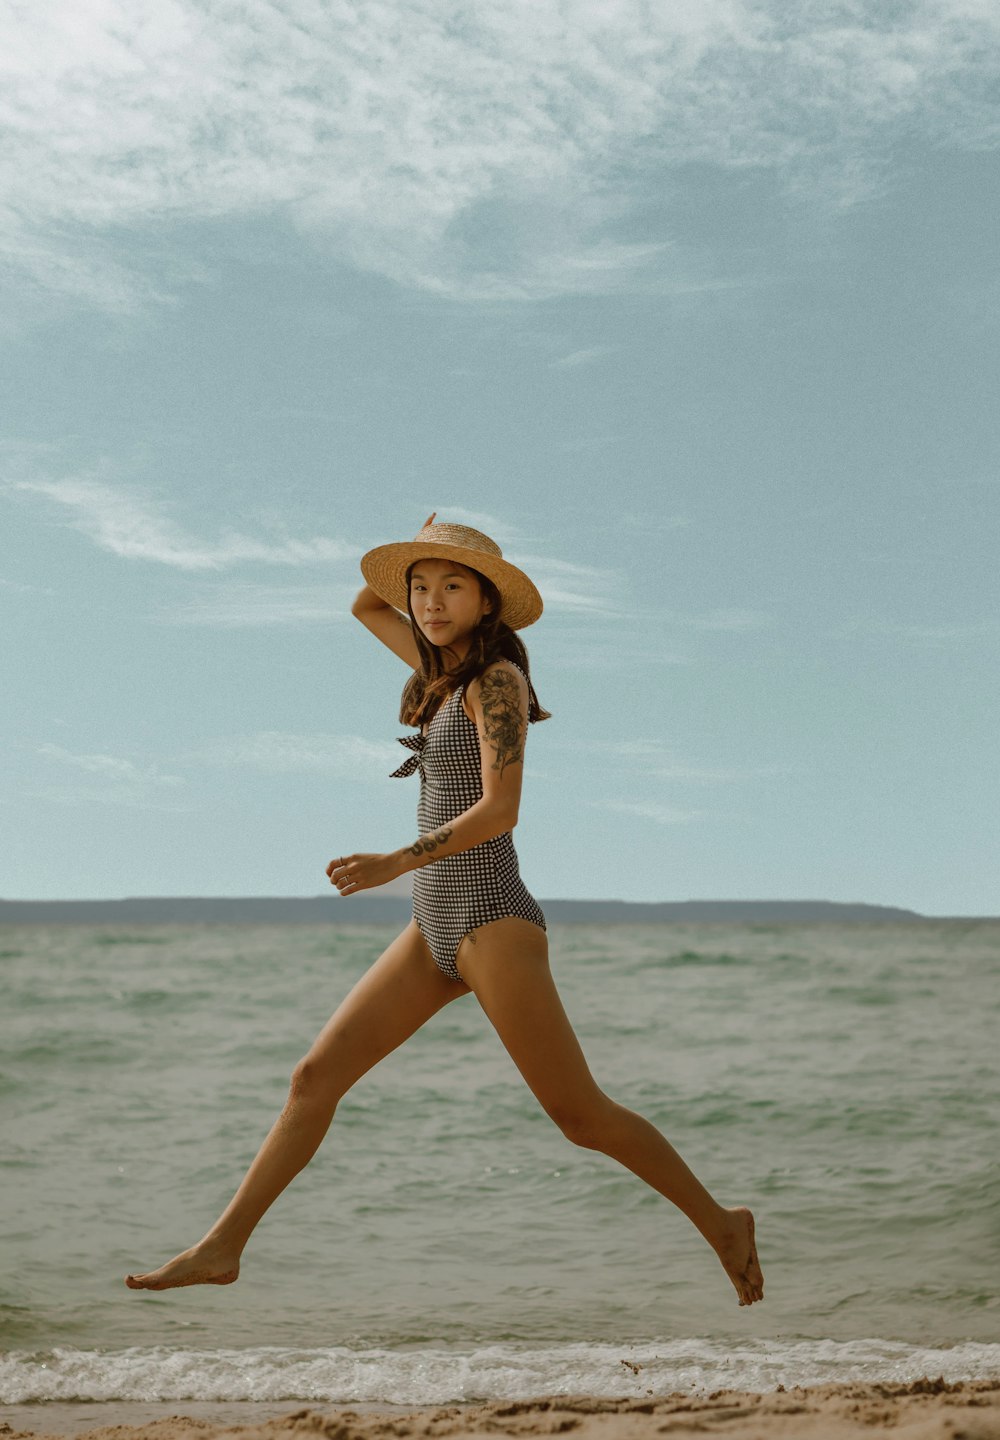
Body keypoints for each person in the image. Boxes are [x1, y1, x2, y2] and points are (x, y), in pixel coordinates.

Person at [125, 515, 764, 1306]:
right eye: (420, 587)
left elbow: (501, 810)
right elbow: (365, 603)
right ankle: (223, 1247)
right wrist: (423, 543)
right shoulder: (439, 671)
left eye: (451, 586)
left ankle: (721, 1221)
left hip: (491, 918)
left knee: (580, 1116)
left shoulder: (497, 682)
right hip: (431, 924)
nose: (428, 602)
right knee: (313, 1077)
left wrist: (396, 860)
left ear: (487, 601)